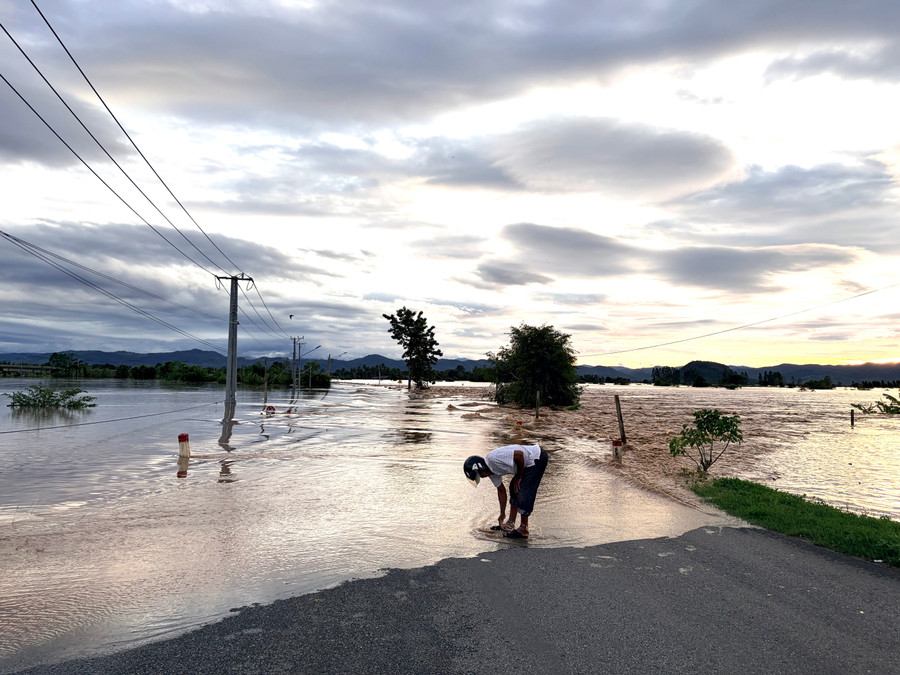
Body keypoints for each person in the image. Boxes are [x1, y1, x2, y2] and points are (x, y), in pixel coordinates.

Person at [463, 444, 548, 539]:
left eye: (479, 475)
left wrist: (519, 476)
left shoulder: (493, 459)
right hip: (526, 463)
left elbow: (519, 455)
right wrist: (502, 514)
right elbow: (501, 491)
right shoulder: (491, 473)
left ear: (480, 467)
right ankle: (510, 524)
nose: (481, 477)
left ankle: (523, 529)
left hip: (537, 458)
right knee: (513, 487)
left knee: (523, 490)